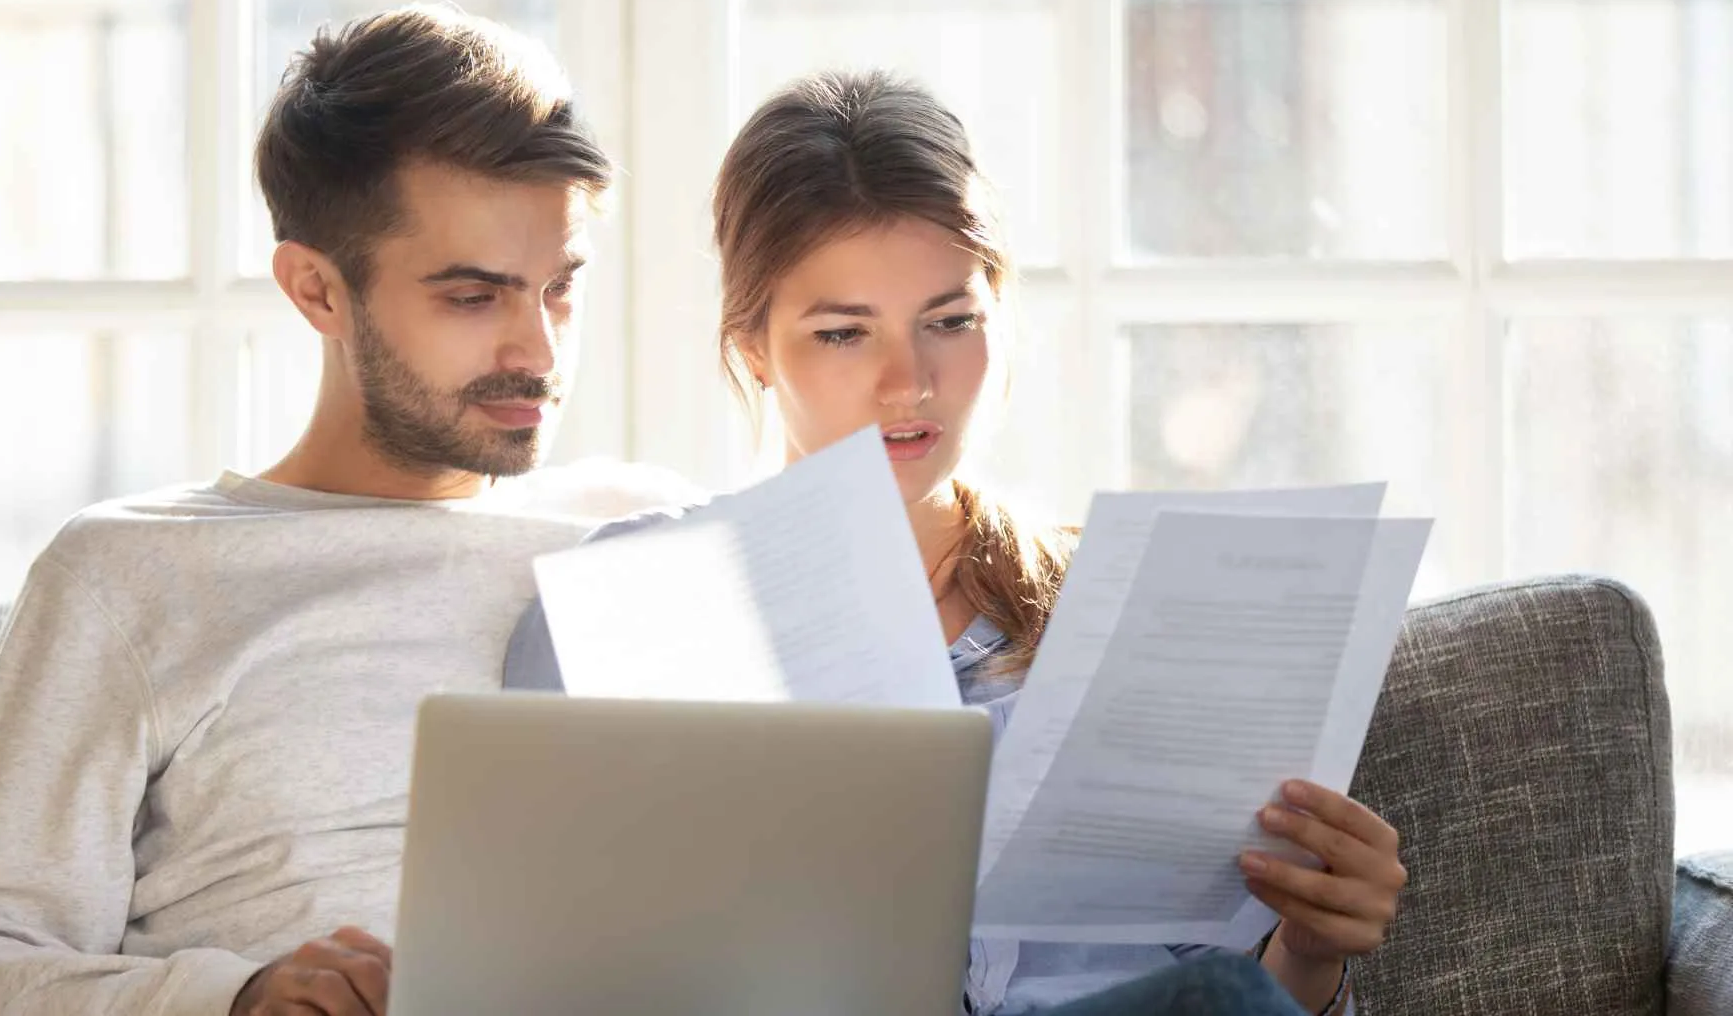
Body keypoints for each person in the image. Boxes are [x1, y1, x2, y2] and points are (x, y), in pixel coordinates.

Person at [504, 70, 1407, 1016]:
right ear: (754, 349)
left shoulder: (1121, 604)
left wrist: (1309, 953)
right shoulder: (625, 607)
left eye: (950, 322)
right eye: (844, 333)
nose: (909, 383)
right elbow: (540, 957)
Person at [0, 6, 695, 1016]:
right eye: (473, 297)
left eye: (560, 289)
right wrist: (242, 998)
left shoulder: (655, 542)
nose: (538, 351)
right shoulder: (129, 574)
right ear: (317, 289)